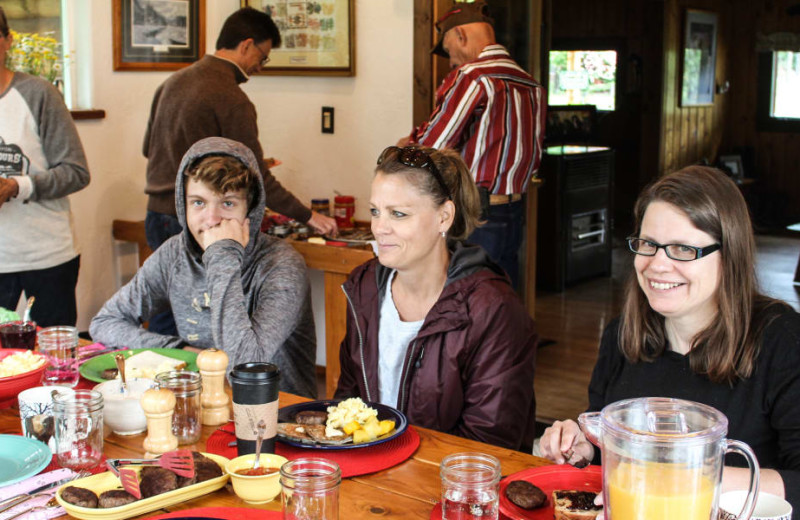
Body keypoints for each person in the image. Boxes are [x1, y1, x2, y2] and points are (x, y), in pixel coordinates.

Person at [539, 166, 800, 508]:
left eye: (682, 249)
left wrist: (677, 478)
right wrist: (583, 447)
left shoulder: (783, 340)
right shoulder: (623, 334)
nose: (657, 265)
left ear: (729, 254)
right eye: (648, 244)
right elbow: (610, 450)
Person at [142, 7, 336, 334]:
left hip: (156, 215)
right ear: (246, 45)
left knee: (166, 318)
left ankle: (160, 382)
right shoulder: (231, 98)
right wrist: (308, 216)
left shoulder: (172, 82)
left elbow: (150, 149)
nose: (260, 67)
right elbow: (259, 177)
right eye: (263, 57)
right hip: (198, 224)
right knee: (202, 326)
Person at [334, 145, 538, 450]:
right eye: (375, 211)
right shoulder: (363, 287)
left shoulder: (493, 309)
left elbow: (488, 445)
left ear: (444, 217)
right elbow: (348, 404)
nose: (379, 228)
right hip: (373, 477)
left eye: (398, 214)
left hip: (456, 488)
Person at [91, 137, 317, 398]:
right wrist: (181, 352)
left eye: (228, 203)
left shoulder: (282, 264)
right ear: (183, 205)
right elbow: (105, 322)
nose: (211, 220)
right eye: (198, 202)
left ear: (251, 210)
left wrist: (222, 257)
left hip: (274, 415)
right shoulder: (174, 254)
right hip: (198, 404)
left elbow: (244, 366)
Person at [399, 2, 546, 290]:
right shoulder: (531, 85)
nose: (450, 60)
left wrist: (407, 145)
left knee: (465, 302)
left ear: (460, 37)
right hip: (514, 211)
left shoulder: (472, 77)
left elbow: (432, 147)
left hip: (476, 213)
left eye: (448, 49)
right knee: (500, 299)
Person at [0, 6, 91, 327]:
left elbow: (76, 171)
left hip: (47, 256)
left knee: (56, 363)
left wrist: (16, 186)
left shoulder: (38, 94)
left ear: (8, 41)